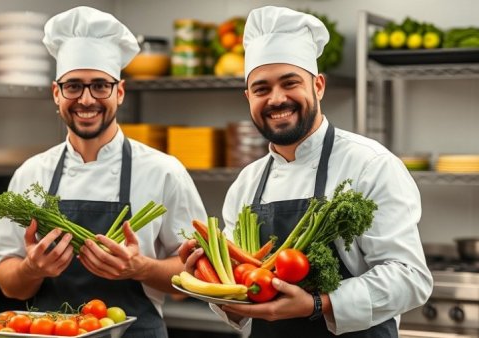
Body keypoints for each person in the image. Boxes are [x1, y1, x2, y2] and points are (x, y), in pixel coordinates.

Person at [179, 6, 432, 338]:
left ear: (319, 86)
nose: (277, 99)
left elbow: (410, 278)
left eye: (290, 83)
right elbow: (239, 290)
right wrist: (207, 271)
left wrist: (319, 303)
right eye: (261, 89)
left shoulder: (370, 164)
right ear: (248, 97)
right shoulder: (247, 182)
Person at [0, 6, 207, 338]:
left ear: (119, 92)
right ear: (56, 93)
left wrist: (140, 268)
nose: (86, 99)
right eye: (73, 86)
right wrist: (32, 269)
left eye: (100, 86)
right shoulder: (31, 173)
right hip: (51, 332)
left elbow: (196, 277)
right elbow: (9, 283)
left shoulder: (164, 172)